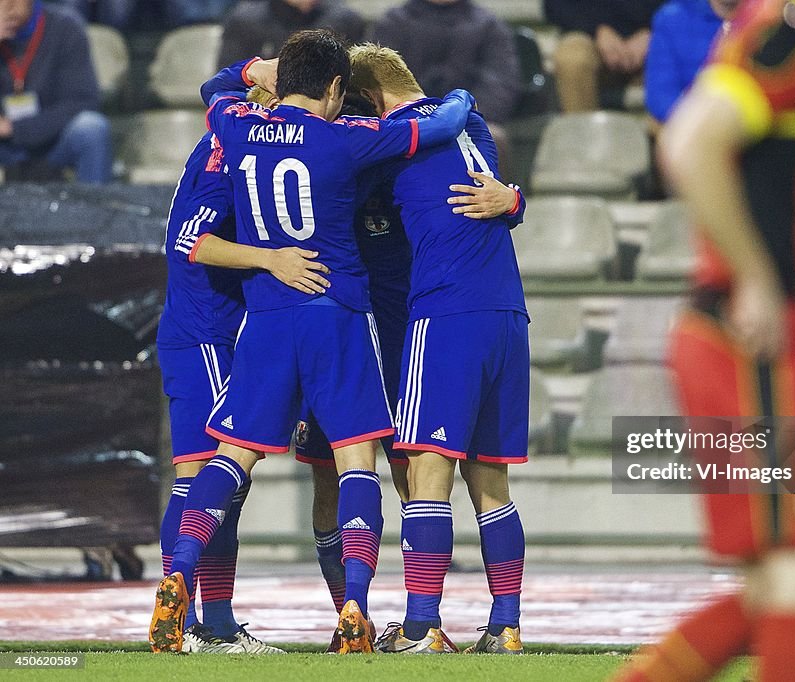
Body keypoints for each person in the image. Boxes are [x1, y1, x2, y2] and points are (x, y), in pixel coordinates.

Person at [149, 30, 476, 655]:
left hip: (267, 319)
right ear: (333, 89)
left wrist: (255, 70)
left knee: (231, 459)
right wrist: (460, 99)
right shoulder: (345, 138)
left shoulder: (235, 126)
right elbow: (433, 126)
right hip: (336, 311)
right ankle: (354, 603)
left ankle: (177, 574)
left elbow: (215, 88)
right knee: (357, 458)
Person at [617, 0, 795, 679]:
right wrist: (755, 277)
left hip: (787, 338)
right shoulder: (790, 33)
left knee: (784, 584)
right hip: (756, 338)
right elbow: (689, 143)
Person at [346, 43, 529, 656]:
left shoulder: (391, 138)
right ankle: (506, 624)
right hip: (507, 312)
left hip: (445, 313)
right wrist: (515, 200)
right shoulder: (472, 125)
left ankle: (422, 626)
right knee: (491, 482)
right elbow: (499, 193)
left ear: (369, 99)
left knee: (426, 469)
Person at [157, 86, 330, 652]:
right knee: (207, 477)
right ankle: (202, 621)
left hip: (212, 330)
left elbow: (219, 84)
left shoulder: (234, 139)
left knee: (213, 477)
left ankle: (206, 622)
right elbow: (190, 241)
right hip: (207, 331)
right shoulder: (224, 155)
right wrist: (269, 259)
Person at [0, 0, 112, 183]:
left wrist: (14, 128)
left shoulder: (64, 26)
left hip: (52, 140)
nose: (7, 6)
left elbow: (83, 101)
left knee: (91, 129)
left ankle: (96, 209)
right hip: (4, 147)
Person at [371, 0, 519, 128]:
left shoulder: (489, 27)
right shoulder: (393, 24)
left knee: (493, 136)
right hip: (404, 122)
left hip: (470, 122)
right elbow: (378, 79)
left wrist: (466, 118)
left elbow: (500, 83)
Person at [544, 0, 662, 112]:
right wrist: (595, 29)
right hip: (589, 35)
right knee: (572, 59)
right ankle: (582, 132)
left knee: (675, 56)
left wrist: (656, 31)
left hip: (660, 35)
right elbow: (555, 6)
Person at [645, 0, 740, 126]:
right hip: (692, 131)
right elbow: (660, 98)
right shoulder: (672, 18)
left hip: (755, 132)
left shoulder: (769, 19)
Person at [218, 0, 364, 66]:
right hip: (261, 118)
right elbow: (228, 87)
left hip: (328, 120)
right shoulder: (244, 22)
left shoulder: (346, 21)